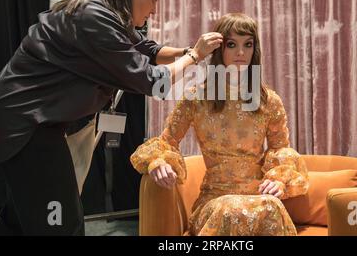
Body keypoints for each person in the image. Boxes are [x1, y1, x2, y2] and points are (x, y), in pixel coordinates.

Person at [0, 0, 222, 235]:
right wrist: (194, 57)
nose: (155, 10)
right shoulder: (94, 19)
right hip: (26, 126)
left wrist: (189, 49)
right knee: (61, 223)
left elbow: (147, 48)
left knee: (20, 223)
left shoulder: (105, 16)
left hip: (26, 124)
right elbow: (152, 80)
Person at [131, 13, 309, 236]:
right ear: (219, 50)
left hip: (259, 200)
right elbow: (167, 141)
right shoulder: (197, 98)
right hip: (214, 203)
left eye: (248, 44)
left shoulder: (269, 101)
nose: (241, 52)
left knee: (272, 207)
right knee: (229, 209)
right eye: (232, 44)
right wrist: (157, 161)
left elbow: (280, 149)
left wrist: (280, 181)